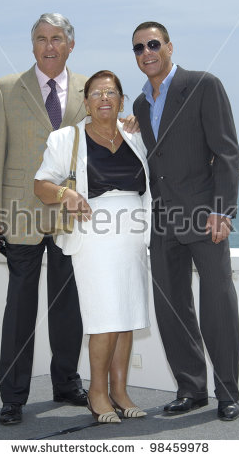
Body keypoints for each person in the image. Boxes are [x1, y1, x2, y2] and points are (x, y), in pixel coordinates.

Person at [0, 13, 90, 425]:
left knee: (67, 306)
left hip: (70, 217)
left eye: (57, 38)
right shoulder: (5, 89)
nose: (49, 46)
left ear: (70, 45)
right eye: (41, 38)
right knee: (20, 310)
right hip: (20, 216)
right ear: (32, 46)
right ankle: (12, 397)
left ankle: (66, 382)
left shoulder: (89, 90)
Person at [132, 21, 239, 421]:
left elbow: (227, 152)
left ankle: (227, 391)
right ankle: (191, 389)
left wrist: (222, 210)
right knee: (172, 308)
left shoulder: (203, 84)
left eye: (153, 44)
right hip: (163, 220)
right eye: (139, 47)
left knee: (218, 305)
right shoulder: (141, 105)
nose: (147, 52)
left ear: (170, 47)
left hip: (204, 216)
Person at [34, 70, 151, 423]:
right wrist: (65, 193)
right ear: (85, 102)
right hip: (93, 237)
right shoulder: (65, 138)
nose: (104, 98)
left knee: (128, 314)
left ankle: (120, 390)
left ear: (121, 100)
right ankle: (97, 392)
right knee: (104, 317)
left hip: (132, 236)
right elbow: (40, 185)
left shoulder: (135, 136)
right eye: (97, 93)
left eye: (111, 92)